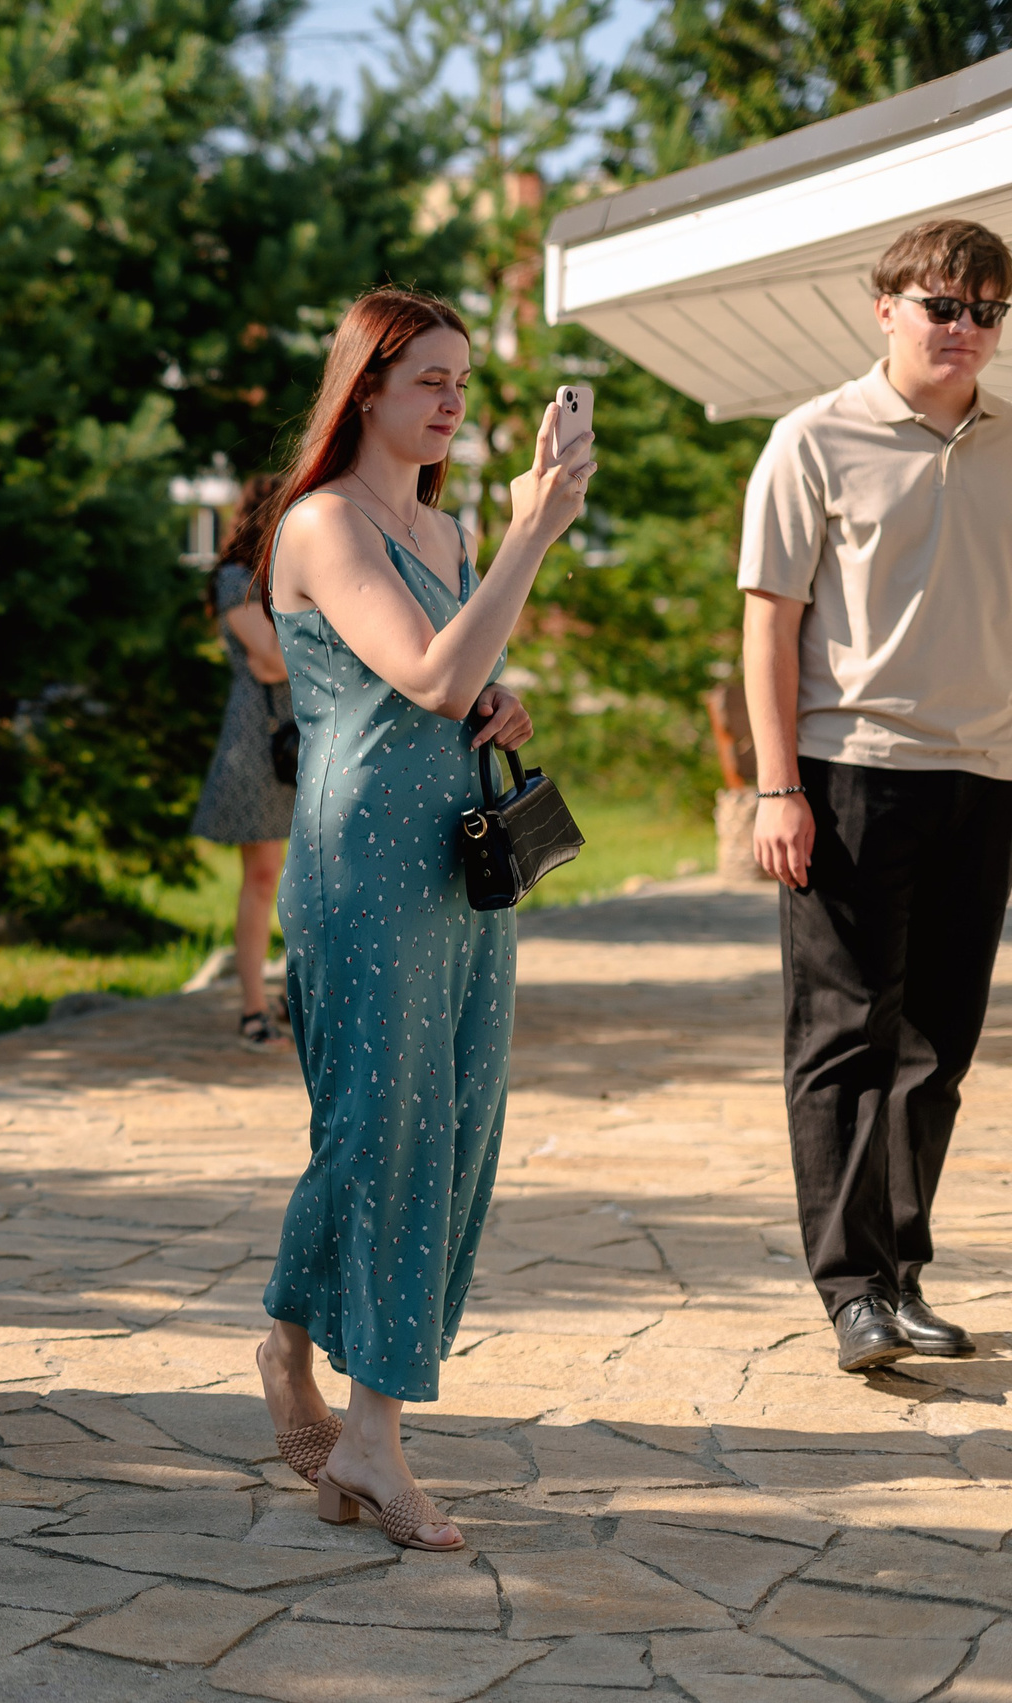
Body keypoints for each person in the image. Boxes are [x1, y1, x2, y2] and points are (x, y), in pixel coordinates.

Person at [248, 288, 592, 1551]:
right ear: (367, 390)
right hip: (361, 860)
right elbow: (426, 671)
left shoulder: (444, 534)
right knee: (377, 1123)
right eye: (430, 379)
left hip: (460, 855)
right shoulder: (322, 521)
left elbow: (460, 681)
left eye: (461, 379)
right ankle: (372, 1438)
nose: (454, 399)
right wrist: (539, 528)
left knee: (454, 1124)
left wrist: (501, 705)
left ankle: (308, 1350)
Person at [742, 219, 1012, 1376]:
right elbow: (769, 620)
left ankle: (898, 1273)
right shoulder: (811, 439)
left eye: (986, 311)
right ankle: (849, 1286)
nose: (964, 329)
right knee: (842, 1036)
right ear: (885, 307)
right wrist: (775, 785)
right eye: (942, 305)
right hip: (849, 772)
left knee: (935, 1047)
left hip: (983, 775)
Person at [190, 472, 295, 1050]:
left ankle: (295, 996)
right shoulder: (236, 580)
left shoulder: (296, 578)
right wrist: (289, 655)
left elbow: (282, 662)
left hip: (308, 733)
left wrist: (284, 658)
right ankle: (253, 1008)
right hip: (260, 737)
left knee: (313, 876)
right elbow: (273, 658)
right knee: (261, 877)